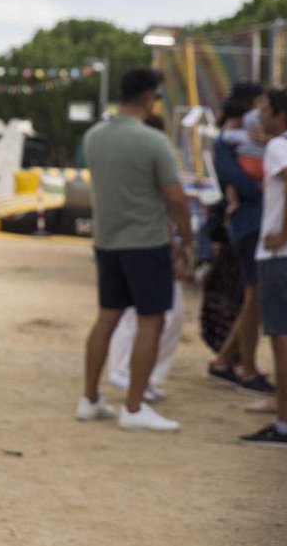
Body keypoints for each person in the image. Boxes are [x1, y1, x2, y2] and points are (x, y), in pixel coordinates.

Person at [77, 67, 193, 432]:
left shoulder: (94, 136)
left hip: (107, 241)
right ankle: (134, 406)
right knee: (151, 321)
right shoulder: (152, 141)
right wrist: (187, 241)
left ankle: (90, 399)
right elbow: (176, 197)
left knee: (106, 318)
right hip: (145, 242)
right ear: (148, 97)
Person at [105, 113, 185, 402]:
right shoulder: (147, 158)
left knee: (156, 314)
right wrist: (180, 242)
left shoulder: (131, 157)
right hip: (143, 243)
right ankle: (129, 373)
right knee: (144, 315)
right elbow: (169, 202)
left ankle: (140, 374)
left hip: (137, 241)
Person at [208, 92, 276, 394]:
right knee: (254, 296)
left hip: (254, 223)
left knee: (255, 298)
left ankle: (227, 360)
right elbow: (237, 182)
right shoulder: (228, 142)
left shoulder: (246, 140)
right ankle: (245, 367)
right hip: (252, 225)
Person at [239, 87, 287, 447]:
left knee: (284, 338)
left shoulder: (280, 146)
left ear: (280, 115)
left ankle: (286, 424)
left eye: (266, 109)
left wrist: (286, 232)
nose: (260, 115)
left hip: (282, 257)